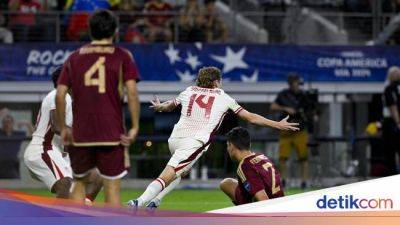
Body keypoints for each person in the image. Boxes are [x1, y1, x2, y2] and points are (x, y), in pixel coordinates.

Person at [127, 66, 298, 210]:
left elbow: (169, 105)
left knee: (181, 171)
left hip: (175, 138)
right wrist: (277, 124)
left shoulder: (189, 90)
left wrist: (159, 107)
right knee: (168, 174)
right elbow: (250, 117)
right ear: (215, 81)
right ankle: (139, 202)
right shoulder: (223, 96)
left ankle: (156, 200)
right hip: (194, 142)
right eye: (220, 80)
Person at [56, 9, 140, 206]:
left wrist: (63, 128)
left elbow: (60, 94)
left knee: (79, 182)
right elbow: (132, 92)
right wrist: (135, 126)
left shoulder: (74, 57)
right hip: (112, 133)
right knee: (111, 186)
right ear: (116, 31)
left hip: (81, 133)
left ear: (89, 30)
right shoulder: (122, 56)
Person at [24, 68, 103, 201]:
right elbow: (56, 126)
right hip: (43, 150)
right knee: (65, 188)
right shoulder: (59, 95)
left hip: (59, 154)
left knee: (97, 177)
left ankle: (83, 209)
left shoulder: (70, 102)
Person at [220, 127, 284, 205]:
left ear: (232, 146)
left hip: (271, 208)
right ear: (249, 144)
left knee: (227, 184)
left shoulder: (245, 166)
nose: (228, 149)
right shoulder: (261, 156)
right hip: (280, 202)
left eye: (228, 145)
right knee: (226, 183)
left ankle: (245, 213)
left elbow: (263, 199)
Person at [270, 73, 311, 189]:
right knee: (283, 158)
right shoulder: (283, 94)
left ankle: (304, 182)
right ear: (291, 83)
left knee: (303, 158)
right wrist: (285, 108)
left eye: (298, 82)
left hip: (300, 129)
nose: (297, 84)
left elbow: (311, 109)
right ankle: (283, 181)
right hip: (286, 130)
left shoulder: (303, 95)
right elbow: (272, 106)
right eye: (295, 82)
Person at [0, 113, 33, 178]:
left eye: (9, 122)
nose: (7, 124)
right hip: (0, 162)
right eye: (5, 122)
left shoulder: (18, 134)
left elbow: (34, 136)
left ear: (12, 123)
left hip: (12, 163)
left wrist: (27, 123)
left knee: (15, 183)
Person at [382, 66, 400, 175]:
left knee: (390, 152)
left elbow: (392, 107)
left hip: (392, 124)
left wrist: (398, 123)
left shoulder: (389, 88)